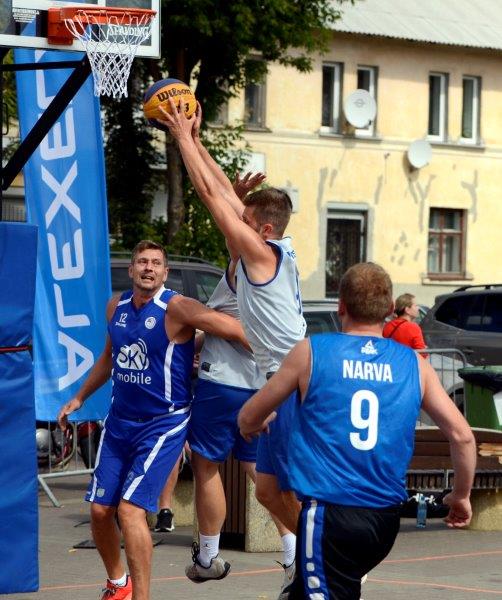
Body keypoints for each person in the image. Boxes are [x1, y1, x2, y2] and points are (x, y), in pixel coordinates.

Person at [238, 262, 476, 600]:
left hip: (330, 514)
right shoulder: (414, 364)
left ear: (341, 306)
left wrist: (253, 422)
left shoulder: (312, 352)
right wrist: (461, 496)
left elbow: (249, 416)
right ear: (390, 309)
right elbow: (463, 436)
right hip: (384, 519)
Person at [158, 102, 306, 598]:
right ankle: (303, 560)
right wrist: (198, 142)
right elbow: (223, 194)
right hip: (279, 382)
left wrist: (182, 137)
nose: (235, 219)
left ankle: (318, 556)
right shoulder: (278, 249)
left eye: (244, 219)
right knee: (265, 484)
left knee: (257, 479)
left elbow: (211, 196)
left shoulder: (258, 255)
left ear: (262, 230)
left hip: (279, 383)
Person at [57, 240, 249, 600]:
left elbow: (238, 330)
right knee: (99, 511)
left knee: (130, 511)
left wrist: (275, 370)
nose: (149, 268)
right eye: (142, 262)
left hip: (163, 423)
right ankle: (118, 584)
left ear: (165, 273)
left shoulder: (176, 307)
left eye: (156, 263)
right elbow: (110, 356)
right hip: (119, 422)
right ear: (131, 269)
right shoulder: (115, 307)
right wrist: (79, 396)